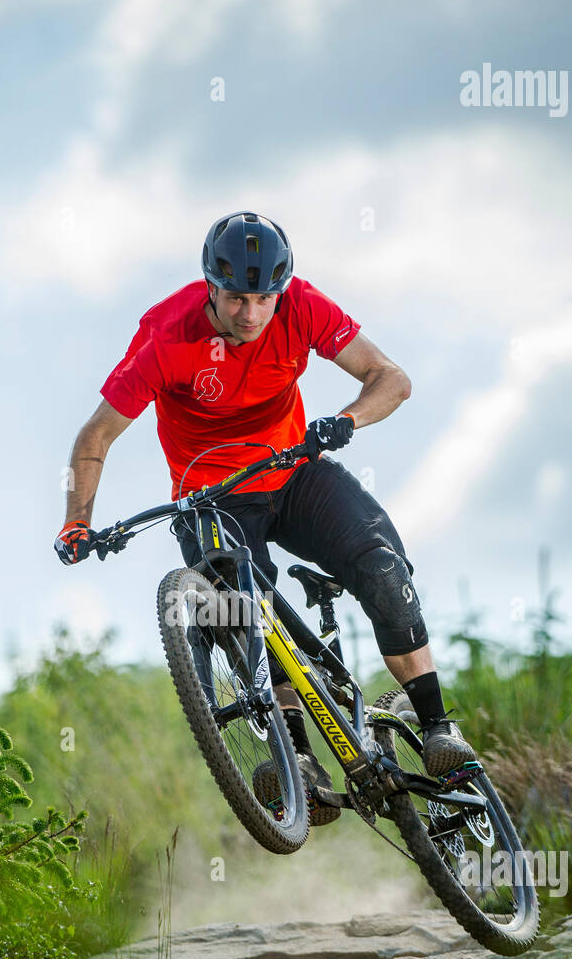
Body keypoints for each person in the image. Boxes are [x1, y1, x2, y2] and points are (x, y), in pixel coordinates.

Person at [55, 210, 475, 825]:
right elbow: (96, 435)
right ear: (209, 287)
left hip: (294, 470)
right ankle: (297, 758)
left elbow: (392, 378)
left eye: (264, 299)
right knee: (249, 612)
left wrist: (347, 419)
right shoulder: (165, 336)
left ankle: (438, 726)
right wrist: (77, 521)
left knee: (383, 569)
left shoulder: (303, 307)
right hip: (212, 496)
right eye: (235, 299)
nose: (250, 315)